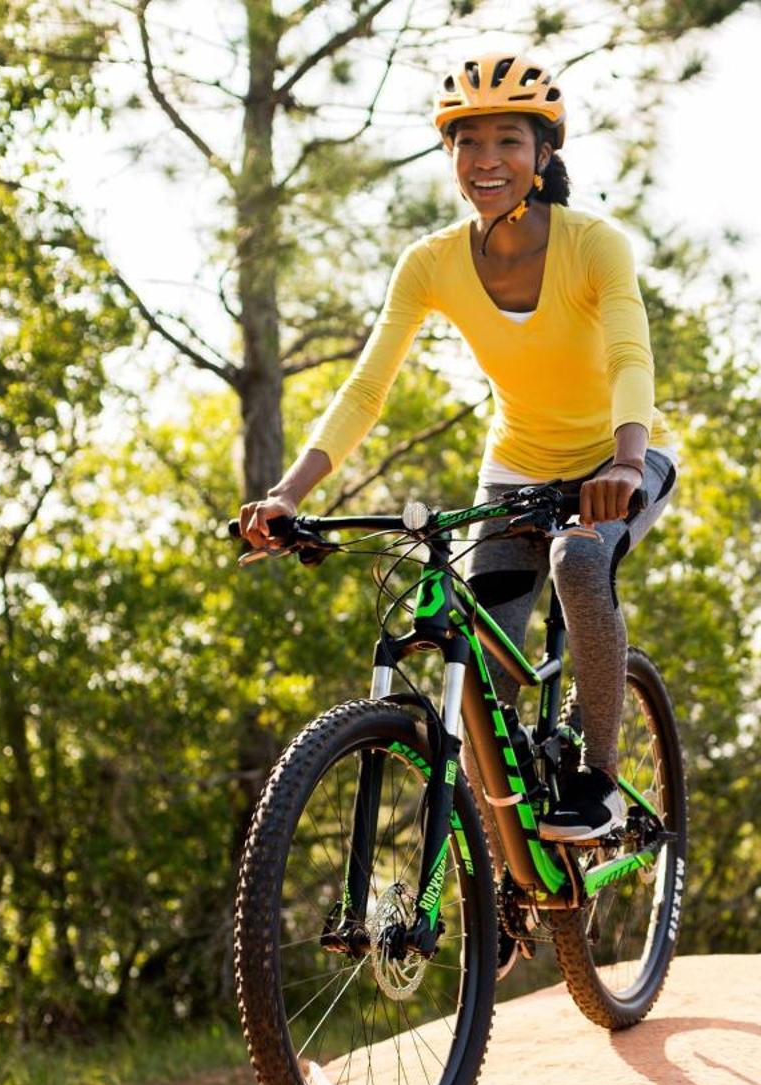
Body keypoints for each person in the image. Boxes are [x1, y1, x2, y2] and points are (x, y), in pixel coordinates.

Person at [238, 52, 676, 842]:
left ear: (544, 154)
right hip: (518, 469)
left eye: (508, 141)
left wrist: (621, 461)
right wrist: (289, 494)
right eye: (468, 143)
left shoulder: (592, 244)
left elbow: (628, 359)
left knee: (579, 561)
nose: (486, 162)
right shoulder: (432, 262)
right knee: (478, 678)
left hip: (622, 458)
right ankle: (499, 888)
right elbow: (364, 391)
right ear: (450, 157)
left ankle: (599, 781)